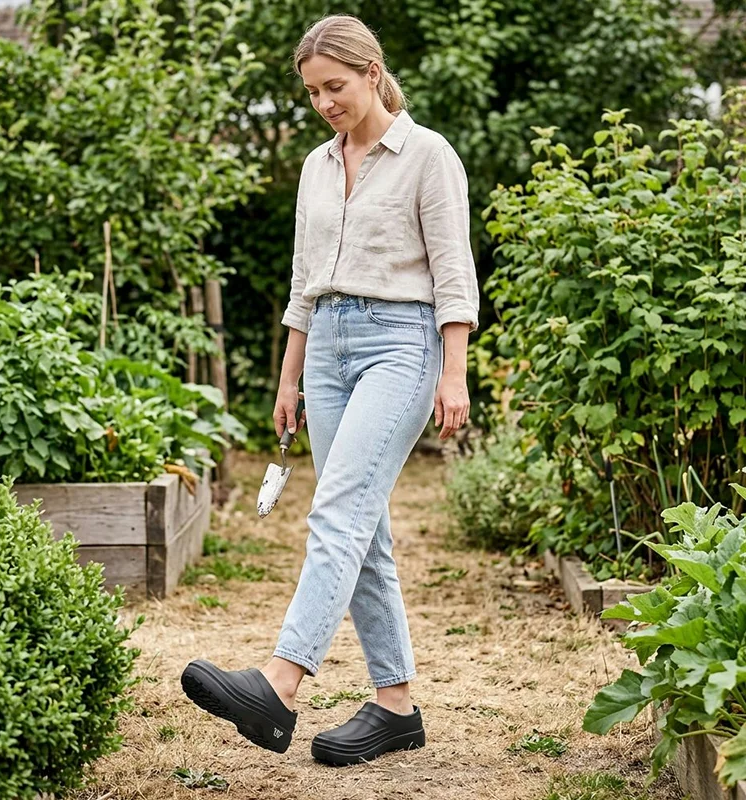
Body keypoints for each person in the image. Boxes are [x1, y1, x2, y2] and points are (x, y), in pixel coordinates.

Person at [181, 13, 480, 766]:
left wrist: (454, 371)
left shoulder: (428, 155)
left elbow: (454, 275)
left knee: (338, 509)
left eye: (335, 86)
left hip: (399, 344)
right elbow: (303, 283)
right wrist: (289, 377)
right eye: (313, 92)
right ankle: (396, 708)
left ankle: (280, 684)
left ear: (372, 74)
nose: (324, 103)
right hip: (326, 348)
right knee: (363, 528)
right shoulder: (317, 166)